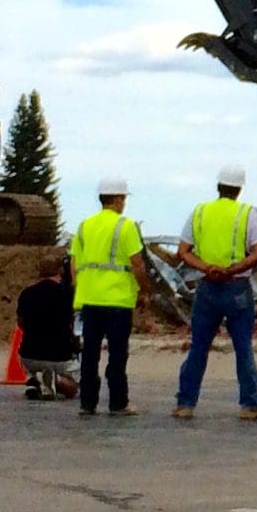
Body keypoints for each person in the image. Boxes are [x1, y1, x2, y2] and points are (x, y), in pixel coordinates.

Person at [170, 165, 257, 421]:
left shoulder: (200, 212)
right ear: (239, 188)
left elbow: (183, 251)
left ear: (218, 186)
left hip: (207, 287)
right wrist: (233, 269)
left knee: (199, 347)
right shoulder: (249, 214)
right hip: (237, 287)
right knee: (243, 348)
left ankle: (185, 404)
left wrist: (207, 268)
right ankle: (250, 406)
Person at [69, 177, 149, 417]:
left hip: (90, 300)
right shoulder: (126, 226)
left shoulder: (84, 226)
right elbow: (137, 264)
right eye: (123, 198)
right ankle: (118, 403)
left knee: (89, 354)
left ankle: (88, 403)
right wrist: (144, 291)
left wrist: (79, 290)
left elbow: (74, 265)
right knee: (117, 355)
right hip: (118, 300)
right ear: (118, 199)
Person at [15, 249, 78, 399]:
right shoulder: (69, 293)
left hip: (30, 356)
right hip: (60, 358)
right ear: (60, 270)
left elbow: (21, 323)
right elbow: (74, 323)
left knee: (32, 362)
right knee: (73, 389)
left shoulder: (26, 293)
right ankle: (57, 381)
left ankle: (33, 379)